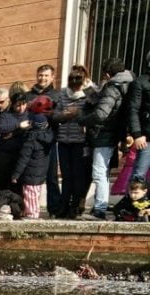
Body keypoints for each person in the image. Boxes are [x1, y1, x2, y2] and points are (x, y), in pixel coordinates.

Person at [75, 57, 134, 219]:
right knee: (105, 171)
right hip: (119, 133)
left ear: (108, 74)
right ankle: (101, 203)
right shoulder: (130, 83)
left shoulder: (112, 87)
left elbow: (101, 113)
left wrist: (82, 119)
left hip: (104, 134)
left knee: (99, 172)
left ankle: (99, 209)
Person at [54, 70, 91, 219]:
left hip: (80, 141)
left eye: (78, 83)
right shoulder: (62, 94)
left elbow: (92, 115)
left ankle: (75, 207)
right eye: (73, 82)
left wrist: (78, 113)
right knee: (66, 176)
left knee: (78, 176)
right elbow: (55, 115)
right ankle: (63, 206)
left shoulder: (88, 94)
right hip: (63, 140)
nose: (76, 87)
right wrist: (65, 114)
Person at [26, 64, 62, 214]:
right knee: (29, 175)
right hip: (31, 140)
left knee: (51, 175)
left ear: (52, 77)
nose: (43, 78)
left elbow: (60, 116)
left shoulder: (57, 95)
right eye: (40, 75)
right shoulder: (28, 95)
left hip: (49, 140)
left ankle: (54, 209)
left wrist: (49, 113)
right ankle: (27, 208)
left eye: (46, 75)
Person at [11, 96, 55, 219]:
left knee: (29, 194)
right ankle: (33, 212)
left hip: (30, 173)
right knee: (35, 194)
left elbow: (23, 158)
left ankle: (32, 216)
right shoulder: (48, 137)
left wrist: (16, 174)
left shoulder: (30, 139)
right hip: (40, 173)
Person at [129, 51, 150, 183]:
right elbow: (133, 110)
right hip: (146, 138)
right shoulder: (140, 82)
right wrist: (137, 134)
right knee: (139, 176)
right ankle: (133, 203)